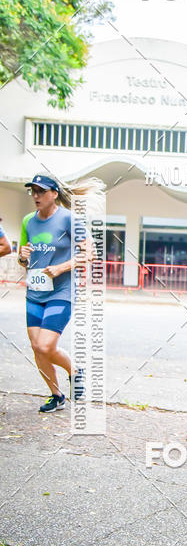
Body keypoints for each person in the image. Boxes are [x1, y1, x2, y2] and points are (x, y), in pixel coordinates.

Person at [18, 174, 97, 412]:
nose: (36, 196)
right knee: (36, 347)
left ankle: (75, 370)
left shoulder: (69, 220)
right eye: (33, 191)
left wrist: (62, 267)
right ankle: (56, 395)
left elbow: (90, 253)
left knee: (45, 346)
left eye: (41, 191)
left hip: (61, 292)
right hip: (35, 292)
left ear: (54, 194)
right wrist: (23, 257)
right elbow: (24, 260)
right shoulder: (28, 221)